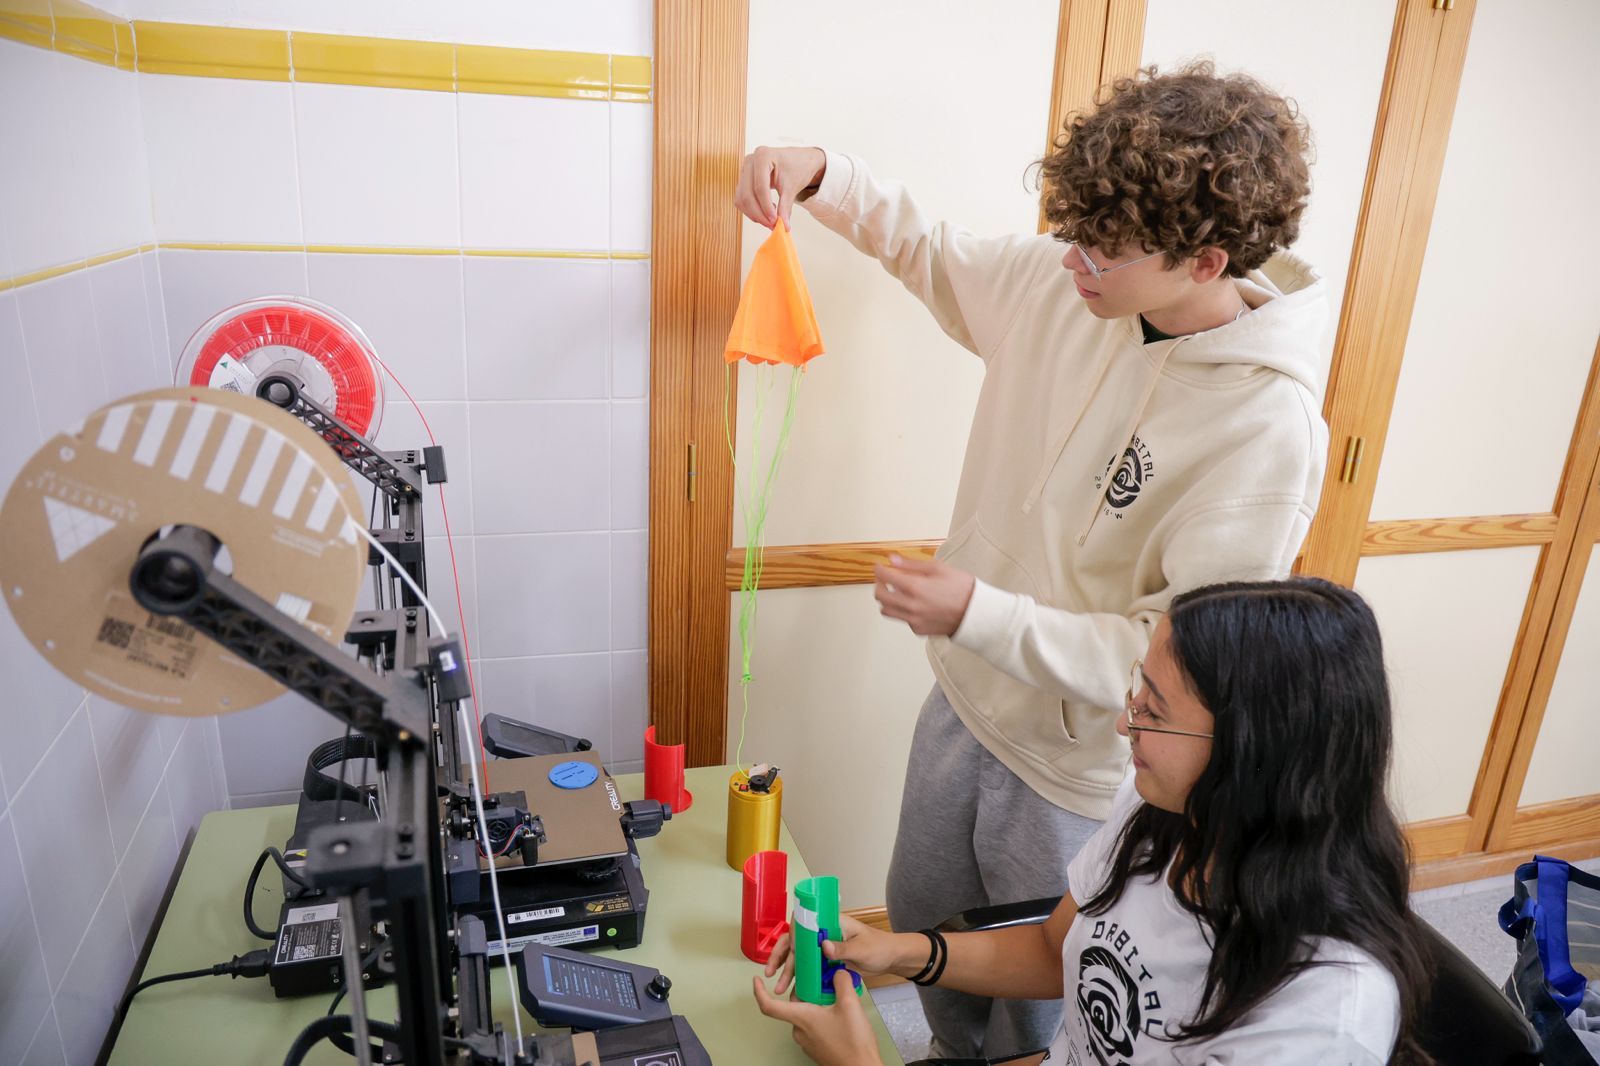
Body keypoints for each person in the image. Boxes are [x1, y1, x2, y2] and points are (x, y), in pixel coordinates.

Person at [733, 62, 1330, 1055]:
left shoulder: (1262, 427)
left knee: (1044, 1001)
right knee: (928, 937)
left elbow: (1180, 655)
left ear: (1204, 258)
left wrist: (982, 612)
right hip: (961, 702)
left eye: (1105, 249)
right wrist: (820, 173)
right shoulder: (1071, 289)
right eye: (1074, 234)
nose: (1071, 263)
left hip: (1078, 764)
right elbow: (927, 248)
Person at [753, 578, 1434, 1066]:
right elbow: (1055, 950)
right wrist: (896, 950)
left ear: (1253, 754)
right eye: (1138, 687)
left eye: (1155, 711)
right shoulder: (1158, 814)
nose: (1123, 721)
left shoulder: (1320, 1016)